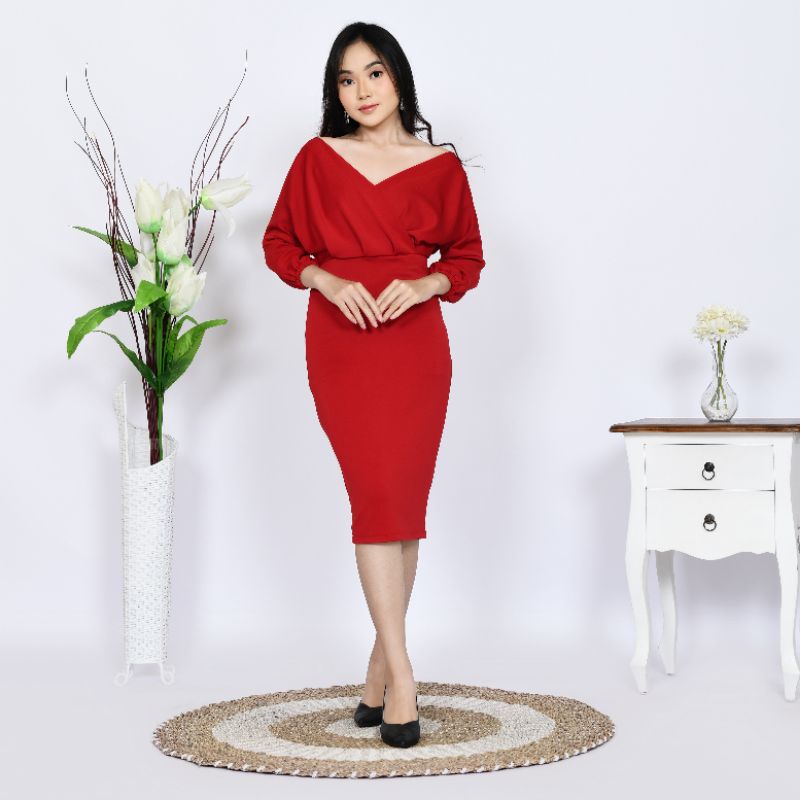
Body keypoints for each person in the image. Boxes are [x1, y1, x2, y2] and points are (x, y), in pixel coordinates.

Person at [262, 21, 485, 748]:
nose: (361, 90)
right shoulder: (317, 159)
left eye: (374, 73)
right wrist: (325, 279)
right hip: (343, 346)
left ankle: (378, 672)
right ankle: (405, 676)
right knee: (375, 503)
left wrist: (425, 284)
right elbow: (279, 242)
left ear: (398, 78)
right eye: (346, 79)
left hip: (416, 350)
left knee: (403, 509)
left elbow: (467, 256)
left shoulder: (440, 166)